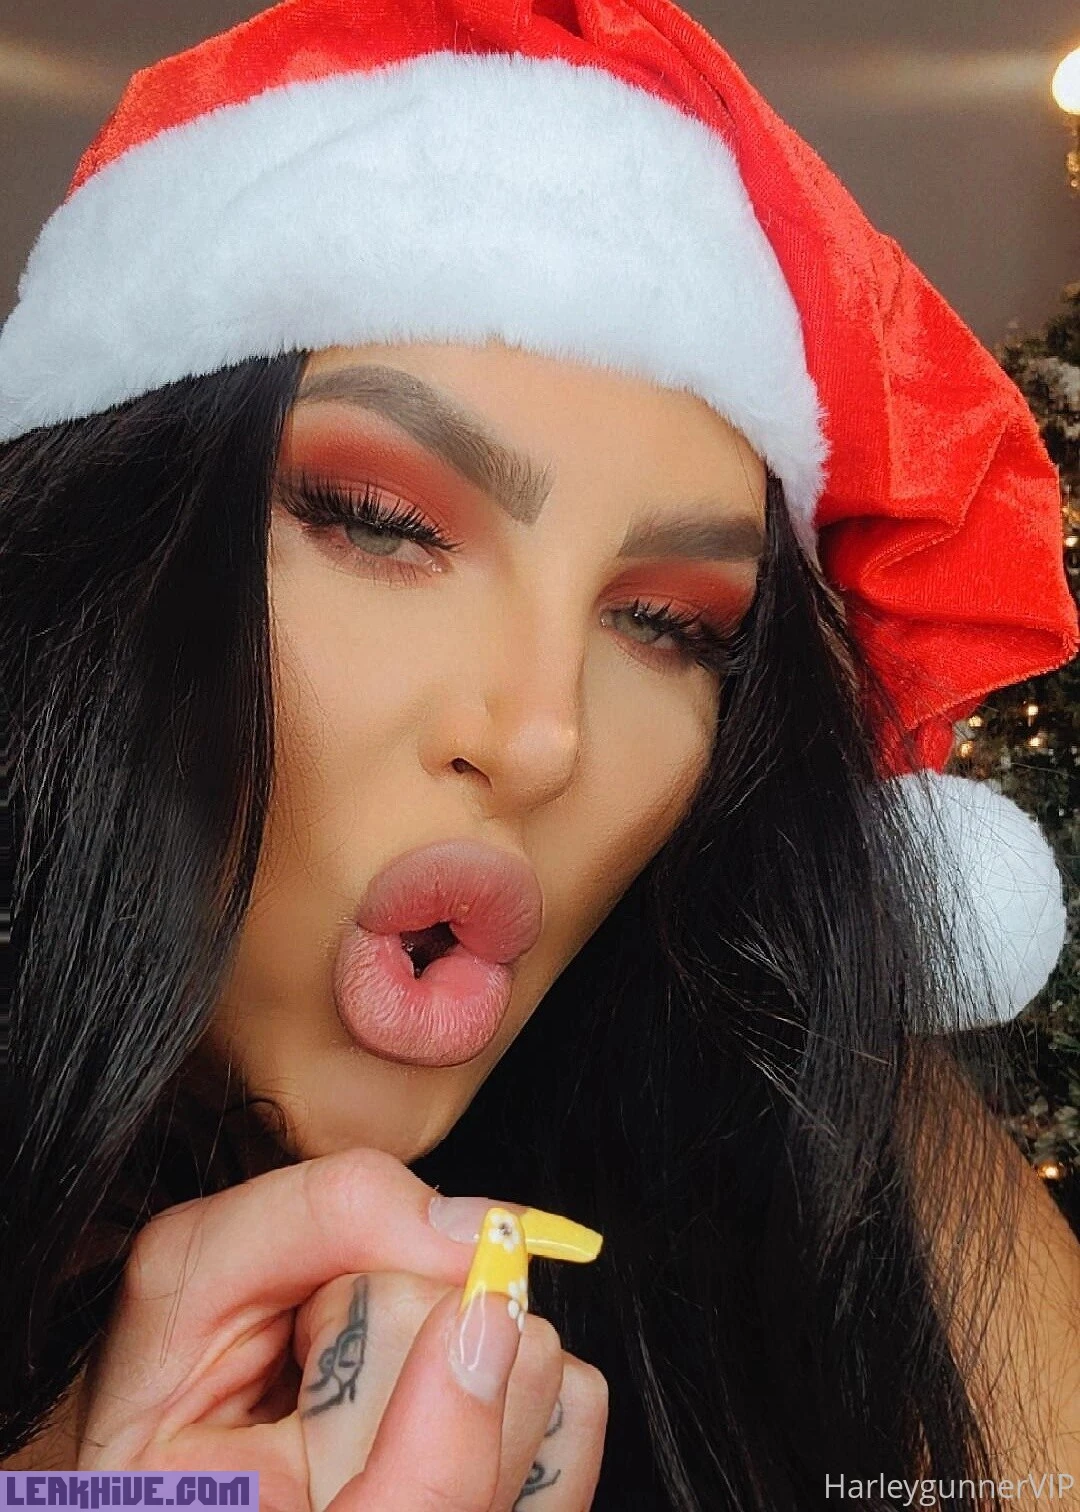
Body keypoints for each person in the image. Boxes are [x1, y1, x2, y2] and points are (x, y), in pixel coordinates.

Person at [1, 0, 1078, 1506]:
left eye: (669, 626)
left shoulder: (858, 1189)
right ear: (93, 574)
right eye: (378, 522)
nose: (541, 738)